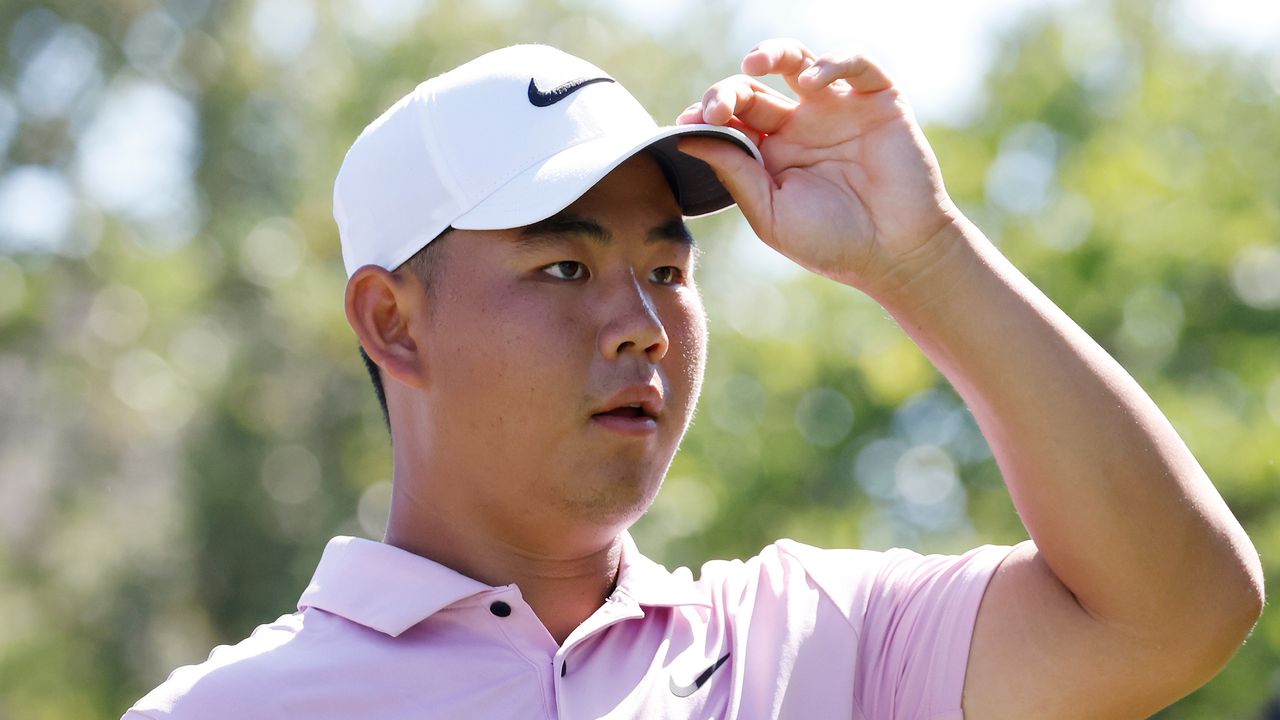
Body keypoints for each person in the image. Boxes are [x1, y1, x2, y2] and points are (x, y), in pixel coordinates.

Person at [123, 39, 1263, 719]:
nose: (642, 326)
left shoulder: (814, 643)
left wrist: (919, 257)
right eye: (564, 265)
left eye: (667, 269)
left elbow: (1175, 614)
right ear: (392, 322)